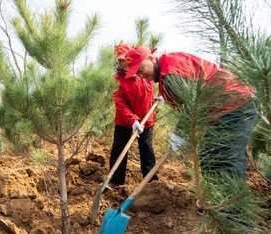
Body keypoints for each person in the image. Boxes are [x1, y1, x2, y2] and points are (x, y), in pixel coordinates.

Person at [127, 49, 256, 179]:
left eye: (141, 68)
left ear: (150, 58)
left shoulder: (170, 73)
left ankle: (232, 198)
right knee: (209, 156)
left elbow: (192, 106)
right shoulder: (168, 67)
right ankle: (214, 196)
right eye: (137, 72)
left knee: (227, 159)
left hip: (235, 103)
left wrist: (179, 133)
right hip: (221, 109)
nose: (141, 74)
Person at [108, 43, 158, 190]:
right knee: (119, 149)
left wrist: (158, 97)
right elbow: (121, 104)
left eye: (126, 60)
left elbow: (151, 89)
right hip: (125, 122)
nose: (124, 64)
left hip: (146, 120)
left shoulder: (144, 73)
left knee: (147, 149)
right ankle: (115, 183)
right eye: (121, 61)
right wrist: (133, 120)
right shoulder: (119, 80)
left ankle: (151, 183)